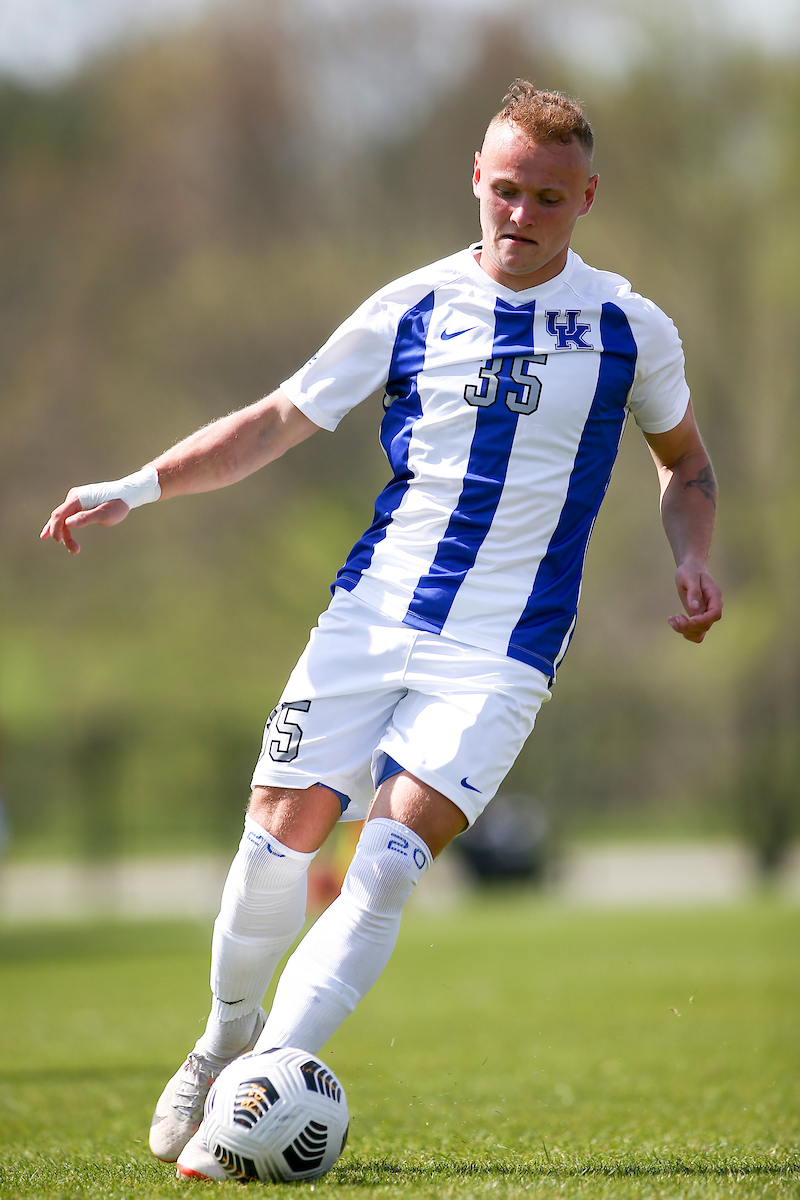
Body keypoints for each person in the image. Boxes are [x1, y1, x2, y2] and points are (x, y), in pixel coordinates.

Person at [41, 82, 722, 1179]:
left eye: (548, 198)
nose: (521, 214)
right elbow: (278, 419)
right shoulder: (411, 306)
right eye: (506, 190)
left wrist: (692, 557)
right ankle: (221, 1044)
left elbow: (684, 463)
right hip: (369, 618)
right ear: (476, 179)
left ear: (587, 197)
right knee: (279, 832)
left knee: (391, 860)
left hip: (502, 650)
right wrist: (139, 485)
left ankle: (253, 1095)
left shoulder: (628, 329)